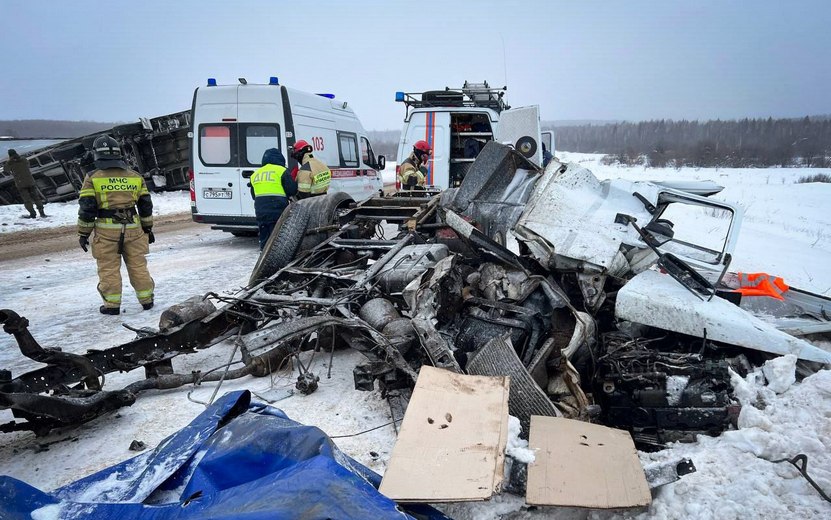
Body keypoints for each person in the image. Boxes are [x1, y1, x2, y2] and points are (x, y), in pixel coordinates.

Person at [77, 135, 155, 315]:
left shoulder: (92, 177)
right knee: (138, 266)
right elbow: (145, 206)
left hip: (106, 232)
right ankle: (147, 300)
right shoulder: (135, 176)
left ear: (97, 155)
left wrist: (83, 233)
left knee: (108, 269)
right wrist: (148, 229)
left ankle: (112, 306)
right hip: (134, 229)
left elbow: (87, 209)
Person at [249, 148, 297, 250]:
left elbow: (254, 195)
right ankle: (278, 259)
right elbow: (292, 190)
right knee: (278, 238)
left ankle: (264, 257)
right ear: (280, 159)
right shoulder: (281, 171)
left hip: (261, 211)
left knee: (264, 236)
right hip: (278, 210)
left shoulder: (255, 174)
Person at [6, 149, 46, 218]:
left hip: (21, 184)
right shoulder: (24, 160)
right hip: (30, 182)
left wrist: (9, 161)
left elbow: (6, 169)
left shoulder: (10, 163)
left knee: (27, 200)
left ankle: (33, 214)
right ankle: (42, 213)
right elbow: (28, 165)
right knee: (36, 198)